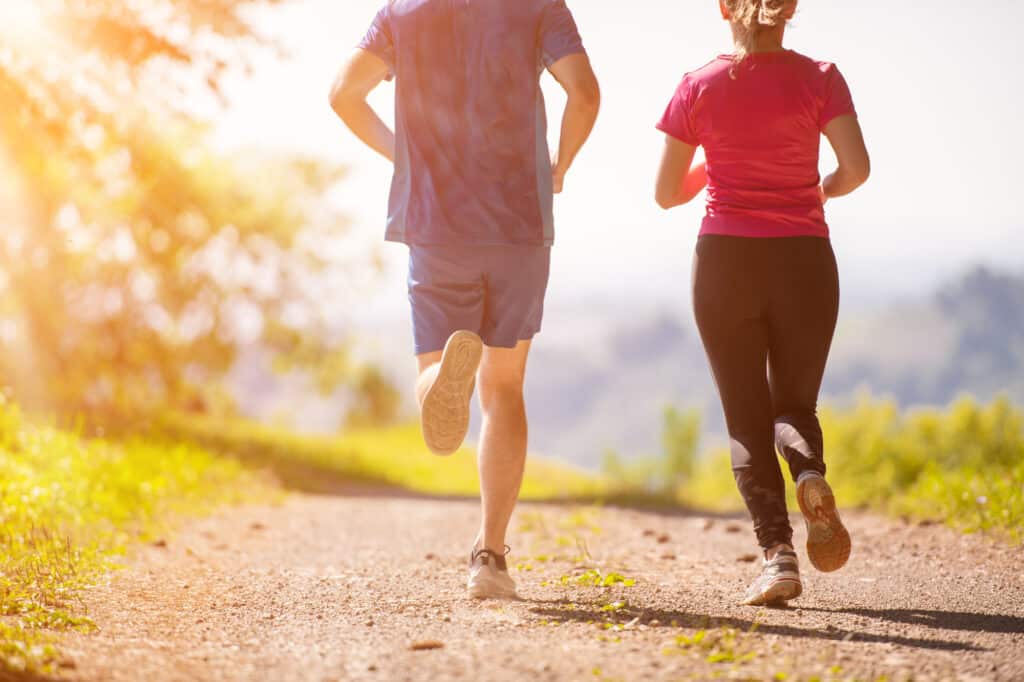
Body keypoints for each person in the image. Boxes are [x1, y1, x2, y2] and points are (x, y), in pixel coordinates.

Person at [328, 0, 600, 600]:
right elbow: (584, 94)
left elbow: (344, 94)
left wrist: (404, 154)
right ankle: (490, 558)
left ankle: (439, 381)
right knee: (502, 389)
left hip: (435, 224)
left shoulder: (402, 11)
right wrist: (561, 165)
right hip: (519, 225)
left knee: (434, 370)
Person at [654, 0, 870, 605]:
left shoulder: (697, 85)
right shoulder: (820, 77)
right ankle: (809, 474)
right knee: (794, 407)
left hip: (725, 261)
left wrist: (715, 159)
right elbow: (856, 168)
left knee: (746, 419)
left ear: (723, 7)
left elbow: (666, 193)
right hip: (805, 259)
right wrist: (817, 190)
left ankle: (778, 558)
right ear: (792, 7)